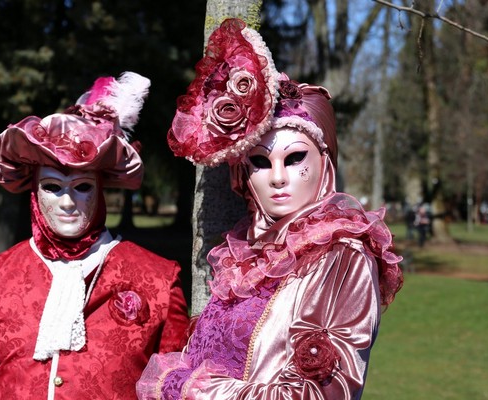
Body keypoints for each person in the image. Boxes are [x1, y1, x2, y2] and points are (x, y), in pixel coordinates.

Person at [137, 19, 403, 399]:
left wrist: (192, 390)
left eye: (295, 159)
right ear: (244, 173)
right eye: (261, 163)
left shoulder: (341, 259)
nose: (278, 178)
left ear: (325, 162)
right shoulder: (241, 256)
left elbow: (319, 393)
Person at [0, 72, 190, 400]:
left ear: (100, 189)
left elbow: (174, 389)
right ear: (34, 191)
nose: (68, 202)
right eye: (53, 187)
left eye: (82, 187)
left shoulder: (157, 279)